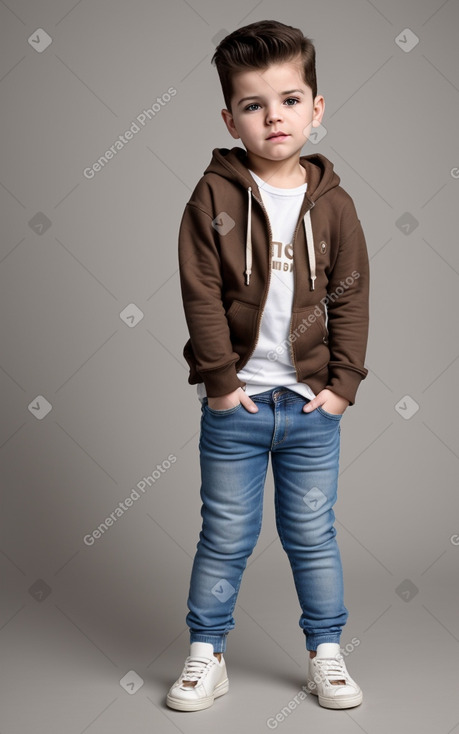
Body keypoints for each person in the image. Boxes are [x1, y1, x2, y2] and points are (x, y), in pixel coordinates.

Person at [167, 19, 369, 712]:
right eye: (253, 105)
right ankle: (205, 654)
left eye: (288, 100)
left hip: (310, 409)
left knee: (312, 536)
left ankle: (327, 653)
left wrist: (342, 386)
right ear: (230, 117)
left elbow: (351, 298)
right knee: (223, 536)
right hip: (239, 409)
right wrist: (220, 387)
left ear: (315, 108)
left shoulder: (334, 206)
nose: (272, 117)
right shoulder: (213, 197)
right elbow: (199, 293)